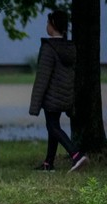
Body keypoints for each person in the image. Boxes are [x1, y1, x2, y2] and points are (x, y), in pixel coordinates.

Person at [28, 10, 89, 173]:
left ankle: (76, 154)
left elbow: (43, 77)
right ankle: (49, 163)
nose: (46, 26)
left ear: (53, 25)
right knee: (52, 127)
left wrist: (35, 104)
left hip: (51, 97)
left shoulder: (49, 48)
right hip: (64, 95)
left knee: (53, 127)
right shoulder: (69, 47)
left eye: (48, 23)